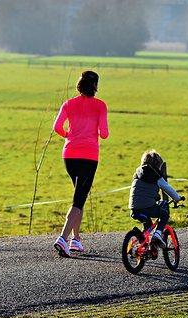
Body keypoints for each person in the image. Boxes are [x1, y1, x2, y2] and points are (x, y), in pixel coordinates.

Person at [52, 70, 109, 257]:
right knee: (78, 200)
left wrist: (69, 135)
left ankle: (76, 240)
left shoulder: (68, 104)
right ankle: (63, 238)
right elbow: (104, 133)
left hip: (69, 155)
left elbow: (57, 127)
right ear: (95, 86)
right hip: (89, 156)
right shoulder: (100, 106)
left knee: (79, 196)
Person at [128, 150, 183, 247]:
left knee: (147, 226)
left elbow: (143, 191)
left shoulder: (137, 174)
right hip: (147, 207)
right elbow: (168, 189)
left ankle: (142, 246)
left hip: (134, 209)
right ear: (158, 165)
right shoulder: (156, 176)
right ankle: (157, 234)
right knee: (164, 213)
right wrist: (177, 198)